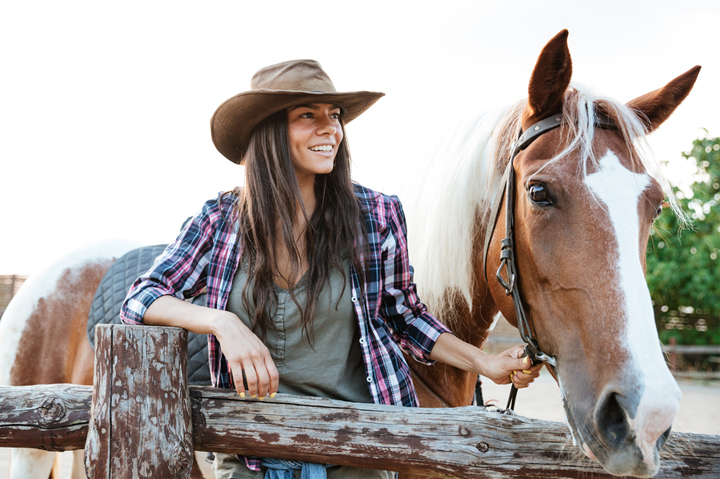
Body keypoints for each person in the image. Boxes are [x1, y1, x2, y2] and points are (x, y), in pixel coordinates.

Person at [120, 59, 541, 479]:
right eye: (308, 115)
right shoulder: (220, 220)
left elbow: (406, 316)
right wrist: (223, 323)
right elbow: (141, 298)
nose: (330, 129)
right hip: (251, 454)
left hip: (356, 450)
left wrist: (484, 364)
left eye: (334, 115)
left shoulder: (375, 215)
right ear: (268, 131)